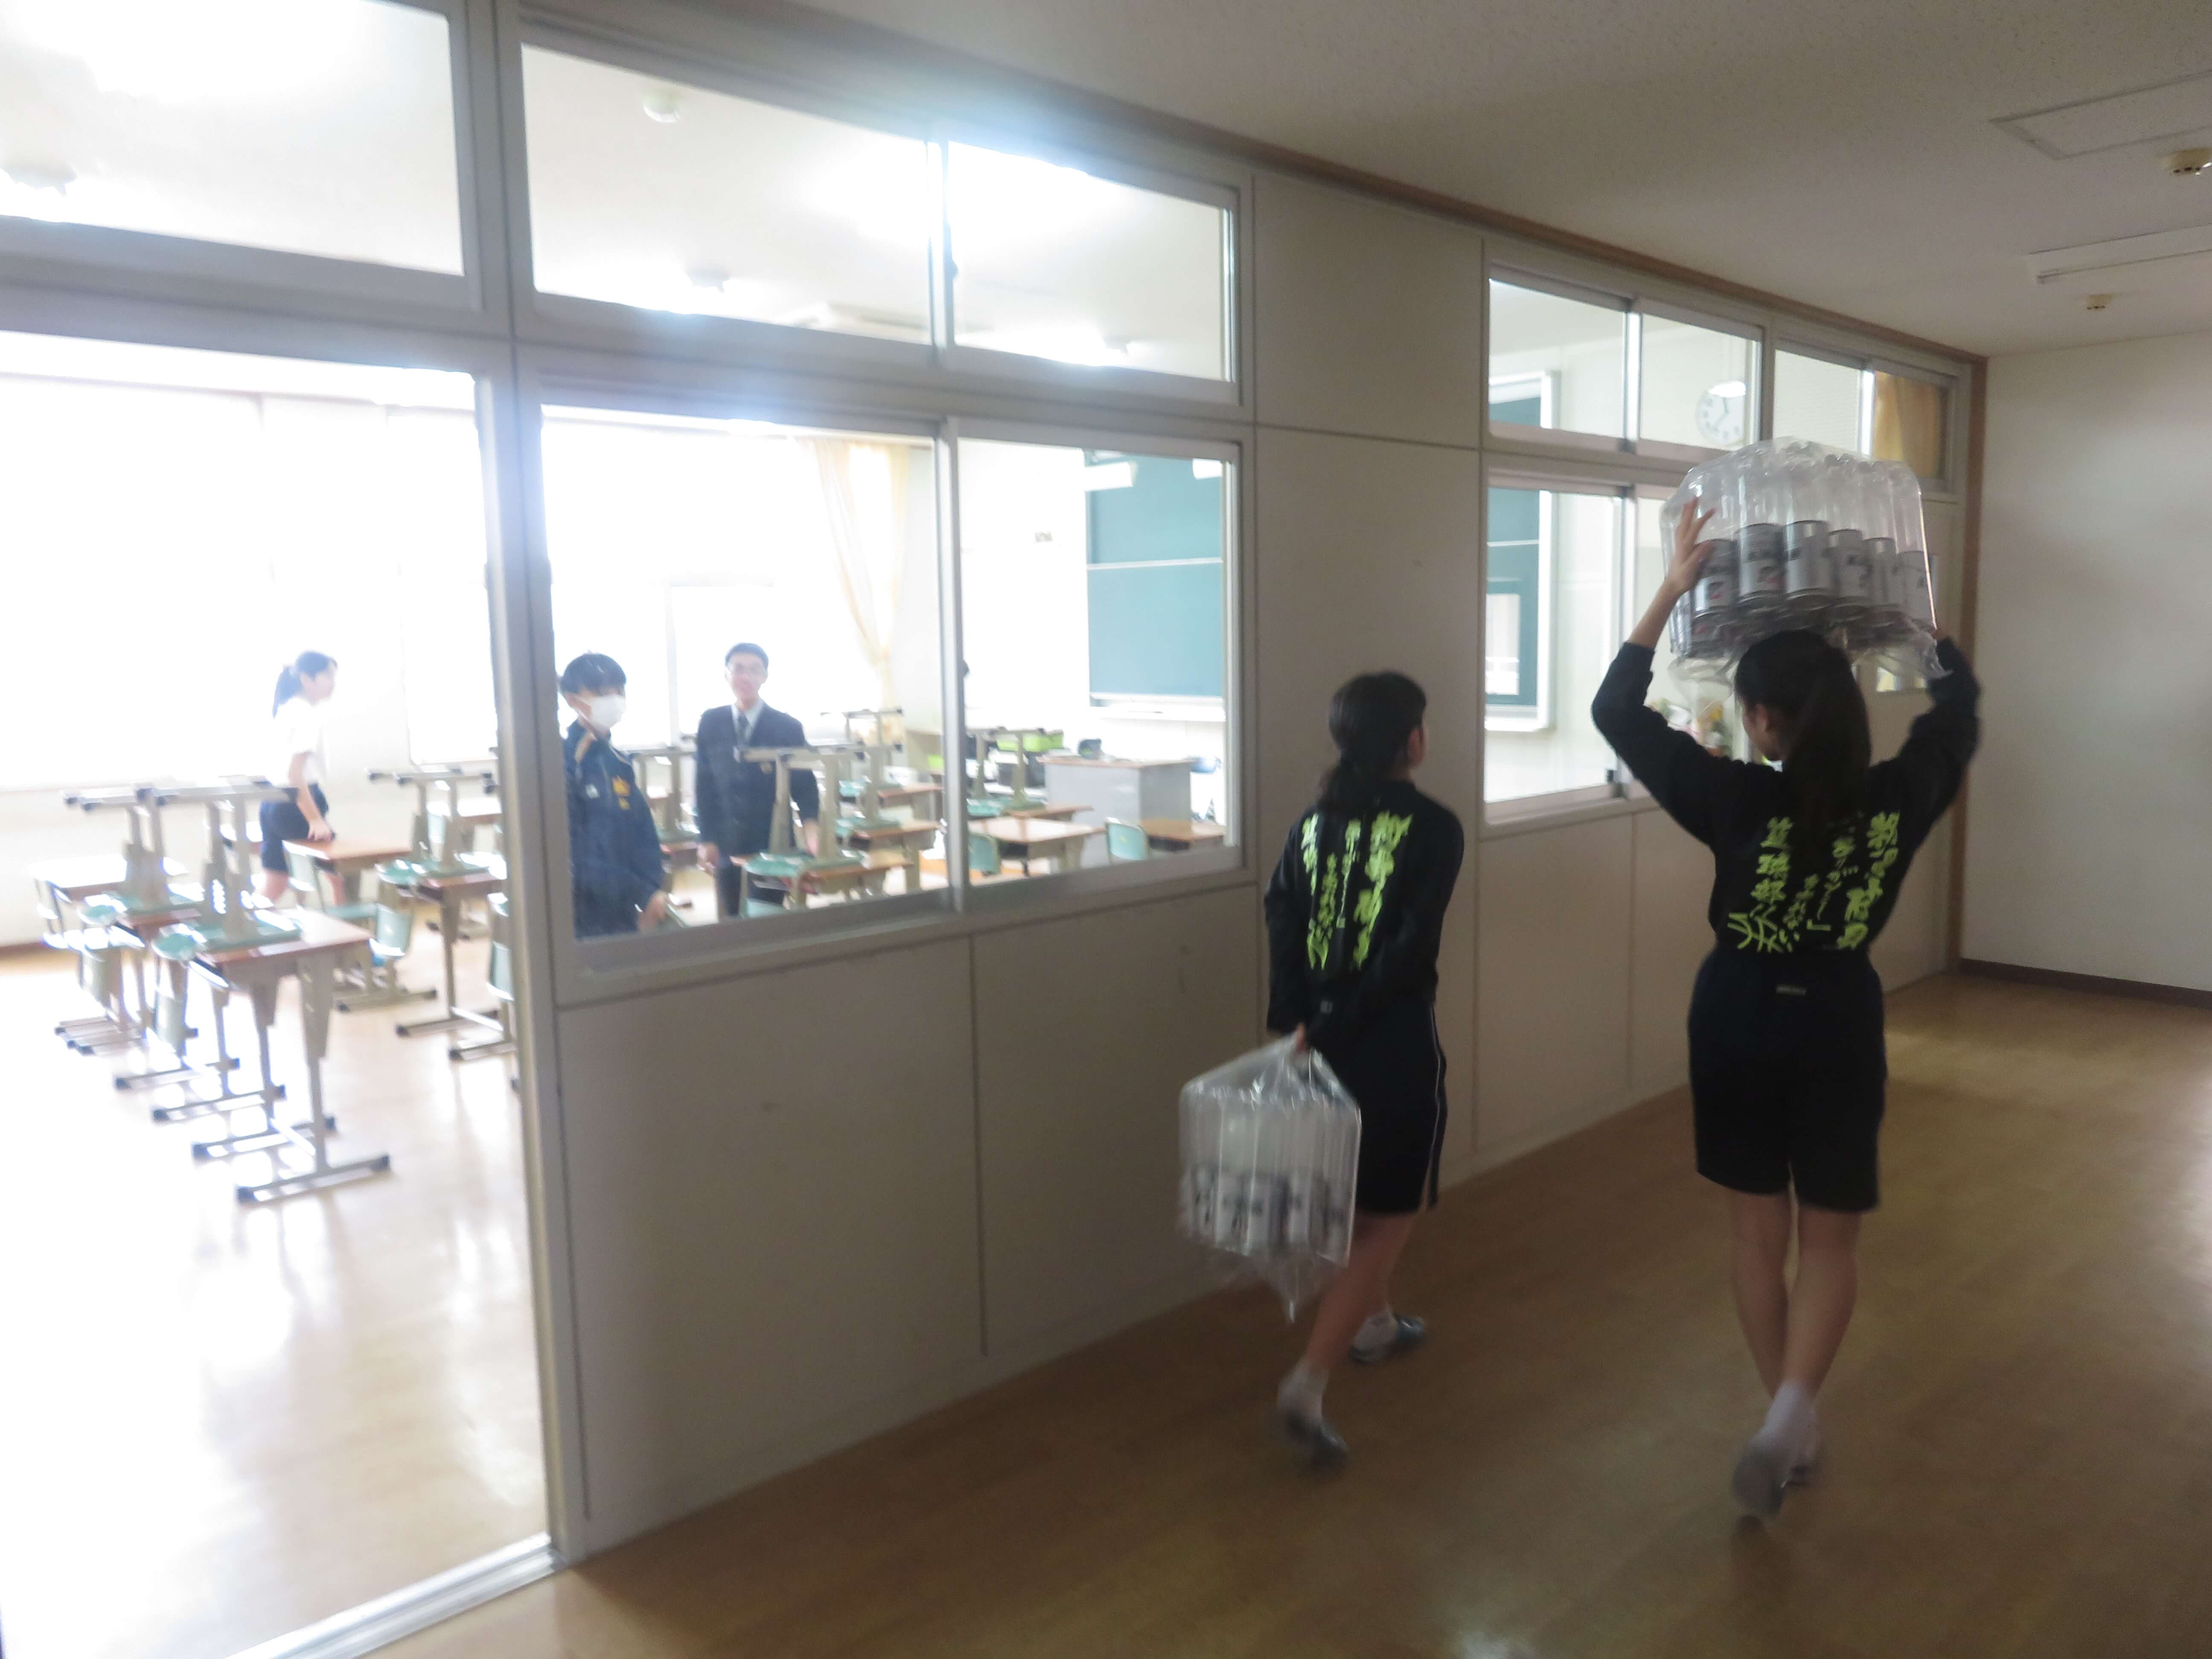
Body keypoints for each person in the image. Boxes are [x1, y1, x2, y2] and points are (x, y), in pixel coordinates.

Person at [1591, 501, 1980, 1519]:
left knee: (1755, 1236)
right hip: (1837, 1017)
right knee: (1832, 1241)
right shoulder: (1897, 798)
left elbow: (1617, 711)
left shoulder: (1733, 800)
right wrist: (1918, 622)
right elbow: (1959, 716)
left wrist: (1672, 589)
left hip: (1737, 1016)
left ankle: (1785, 1423)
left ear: (1763, 720)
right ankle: (1789, 1416)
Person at [1262, 671, 1464, 1464]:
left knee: (1354, 1194)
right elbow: (1407, 945)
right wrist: (1341, 1019)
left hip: (1319, 1040)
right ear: (1411, 740)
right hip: (1388, 1038)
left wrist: (1299, 1016)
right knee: (1388, 1213)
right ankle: (1308, 1382)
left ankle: (1374, 1326)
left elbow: (1281, 908)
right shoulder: (1433, 827)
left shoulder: (1314, 823)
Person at [693, 642, 821, 917]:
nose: (746, 677)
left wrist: (812, 833)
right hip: (726, 842)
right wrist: (706, 839)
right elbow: (703, 787)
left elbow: (805, 787)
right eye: (738, 669)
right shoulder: (711, 722)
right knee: (732, 918)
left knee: (765, 918)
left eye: (754, 670)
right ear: (726, 675)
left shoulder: (787, 727)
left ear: (765, 676)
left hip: (772, 844)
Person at [559, 652, 668, 938]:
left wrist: (652, 891)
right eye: (600, 693)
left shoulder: (619, 762)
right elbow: (578, 848)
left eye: (619, 691)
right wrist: (641, 892)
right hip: (579, 909)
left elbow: (643, 832)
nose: (614, 699)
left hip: (623, 904)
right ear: (572, 700)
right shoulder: (562, 762)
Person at [260, 652, 338, 903]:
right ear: (307, 679)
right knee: (339, 872)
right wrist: (315, 819)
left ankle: (246, 927)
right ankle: (347, 925)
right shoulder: (305, 715)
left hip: (273, 803)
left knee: (276, 882)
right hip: (298, 803)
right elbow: (295, 774)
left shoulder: (287, 709)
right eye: (327, 676)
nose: (333, 682)